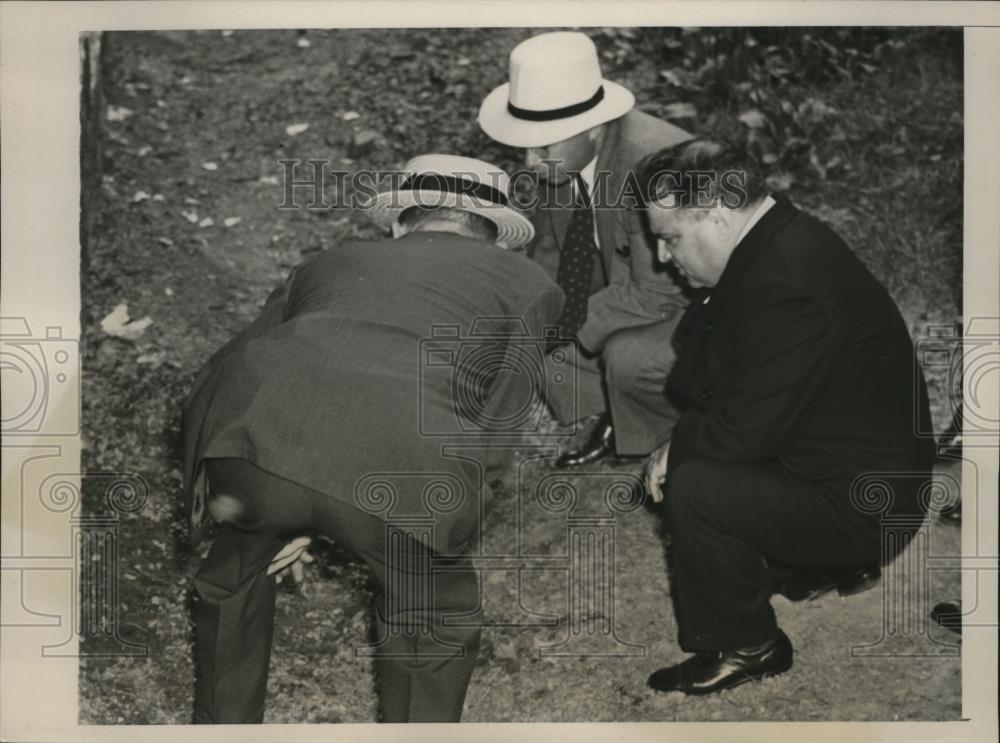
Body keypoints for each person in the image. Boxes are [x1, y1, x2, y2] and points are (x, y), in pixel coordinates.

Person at [181, 154, 563, 723]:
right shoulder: (532, 283)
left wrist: (244, 502)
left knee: (232, 581)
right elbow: (495, 429)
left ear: (399, 223)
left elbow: (223, 370)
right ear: (496, 238)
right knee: (429, 622)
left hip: (255, 445)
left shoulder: (327, 262)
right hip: (405, 472)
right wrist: (450, 527)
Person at [637, 141, 936, 695]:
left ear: (719, 216)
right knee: (703, 451)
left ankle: (749, 644)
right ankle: (813, 567)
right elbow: (730, 382)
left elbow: (740, 432)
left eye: (670, 236)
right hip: (853, 466)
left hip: (868, 506)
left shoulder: (785, 282)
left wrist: (678, 446)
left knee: (697, 484)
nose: (661, 255)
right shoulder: (776, 241)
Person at [478, 30, 695, 467]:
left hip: (695, 299)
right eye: (525, 145)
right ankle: (611, 406)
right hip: (630, 278)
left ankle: (675, 423)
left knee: (624, 357)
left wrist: (564, 328)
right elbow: (552, 251)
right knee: (531, 328)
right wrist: (529, 317)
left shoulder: (653, 165)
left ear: (594, 129)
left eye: (543, 146)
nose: (529, 162)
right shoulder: (563, 162)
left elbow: (660, 293)